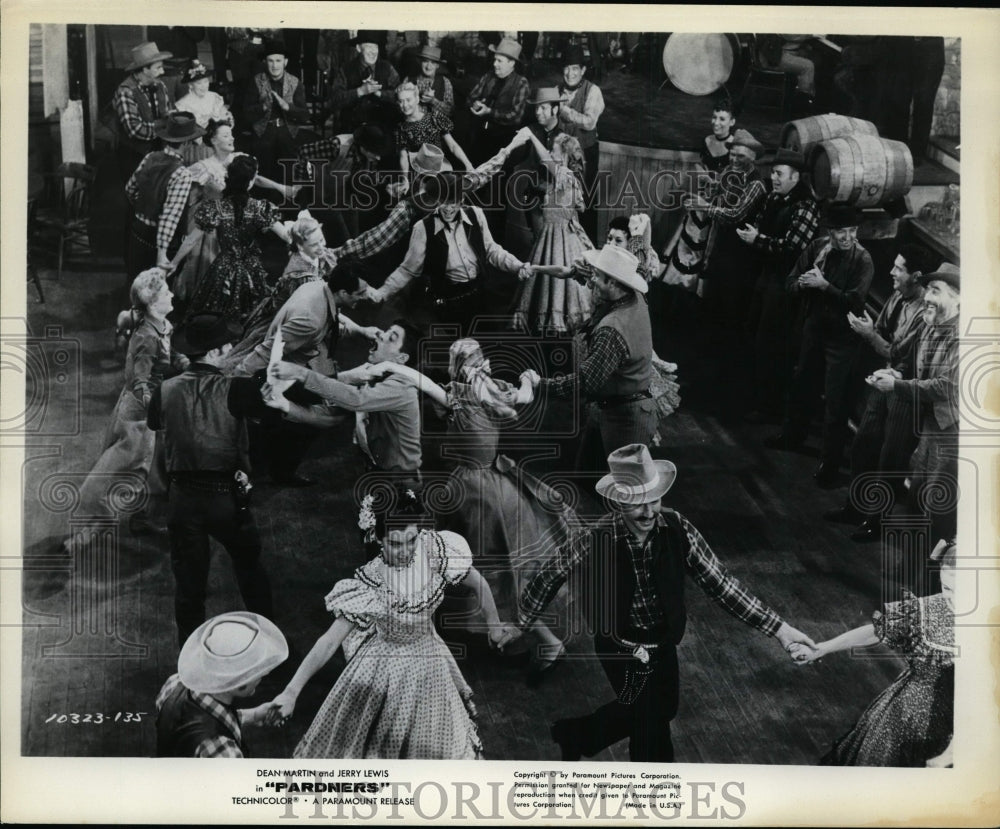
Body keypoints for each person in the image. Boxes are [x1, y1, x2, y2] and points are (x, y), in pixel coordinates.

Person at [504, 443, 816, 762]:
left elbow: (720, 583)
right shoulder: (595, 538)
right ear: (618, 501)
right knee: (651, 725)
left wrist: (779, 628)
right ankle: (655, 796)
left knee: (662, 708)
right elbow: (548, 575)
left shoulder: (677, 527)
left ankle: (576, 734)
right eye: (638, 503)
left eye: (654, 499)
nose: (649, 511)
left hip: (663, 639)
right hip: (619, 644)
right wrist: (521, 624)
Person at [372, 339, 578, 679]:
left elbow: (422, 383)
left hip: (477, 494)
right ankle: (520, 636)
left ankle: (540, 639)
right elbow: (523, 396)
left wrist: (392, 367)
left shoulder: (464, 397)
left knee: (490, 566)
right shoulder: (488, 392)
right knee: (497, 566)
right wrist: (528, 378)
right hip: (489, 483)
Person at [266, 494, 517, 759]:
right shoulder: (371, 582)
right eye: (395, 544)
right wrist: (291, 691)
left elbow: (478, 583)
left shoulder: (434, 549)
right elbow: (329, 641)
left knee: (435, 742)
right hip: (386, 667)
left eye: (411, 540)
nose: (406, 550)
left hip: (430, 660)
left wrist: (494, 626)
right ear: (378, 538)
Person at [147, 313, 278, 645]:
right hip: (225, 499)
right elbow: (270, 416)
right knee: (250, 569)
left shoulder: (164, 390)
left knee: (189, 588)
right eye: (227, 344)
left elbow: (155, 426)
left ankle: (190, 665)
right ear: (217, 352)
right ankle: (269, 644)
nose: (232, 347)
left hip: (181, 500)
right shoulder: (238, 388)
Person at [791, 539, 955, 767]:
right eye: (947, 588)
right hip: (905, 719)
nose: (953, 598)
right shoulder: (928, 608)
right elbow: (875, 631)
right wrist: (822, 648)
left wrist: (949, 756)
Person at [58, 269, 187, 557]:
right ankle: (86, 537)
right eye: (167, 292)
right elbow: (140, 379)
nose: (172, 294)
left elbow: (164, 355)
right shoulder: (146, 338)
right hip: (140, 414)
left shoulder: (160, 325)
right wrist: (155, 405)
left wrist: (181, 361)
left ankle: (140, 520)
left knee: (150, 472)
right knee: (128, 476)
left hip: (147, 409)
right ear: (153, 303)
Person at [826, 244, 933, 541]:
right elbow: (885, 333)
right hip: (884, 379)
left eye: (899, 268)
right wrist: (872, 331)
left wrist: (869, 335)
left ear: (917, 276)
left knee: (891, 459)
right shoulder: (899, 295)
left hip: (906, 390)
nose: (892, 272)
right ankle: (855, 508)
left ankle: (877, 521)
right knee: (863, 444)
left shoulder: (926, 312)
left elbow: (894, 350)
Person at [766, 204, 874, 487]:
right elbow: (790, 283)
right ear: (830, 232)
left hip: (842, 340)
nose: (848, 237)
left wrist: (824, 286)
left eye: (852, 231)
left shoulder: (863, 260)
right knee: (802, 384)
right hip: (813, 330)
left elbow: (855, 301)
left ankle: (830, 462)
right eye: (841, 232)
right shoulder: (817, 248)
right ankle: (792, 437)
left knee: (836, 403)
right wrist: (803, 285)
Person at [866, 264, 959, 590]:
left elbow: (946, 386)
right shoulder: (931, 325)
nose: (928, 299)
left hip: (953, 434)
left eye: (936, 292)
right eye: (929, 290)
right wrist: (898, 376)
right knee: (918, 499)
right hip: (931, 428)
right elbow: (920, 372)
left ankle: (928, 588)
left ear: (958, 300)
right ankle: (910, 572)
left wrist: (900, 388)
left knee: (939, 511)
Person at [525, 246, 654, 477]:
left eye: (597, 275)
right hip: (612, 408)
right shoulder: (634, 295)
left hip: (625, 419)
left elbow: (585, 382)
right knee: (589, 474)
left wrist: (540, 385)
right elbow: (588, 275)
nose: (591, 279)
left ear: (613, 283)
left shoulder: (612, 330)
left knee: (624, 490)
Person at [266, 321, 426, 494]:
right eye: (386, 330)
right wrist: (286, 405)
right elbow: (331, 416)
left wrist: (301, 373)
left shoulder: (400, 387)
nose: (381, 334)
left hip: (401, 485)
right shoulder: (375, 377)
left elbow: (355, 399)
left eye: (391, 337)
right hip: (379, 478)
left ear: (401, 359)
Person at [368, 171, 532, 334]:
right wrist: (382, 292)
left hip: (481, 294)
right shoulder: (423, 228)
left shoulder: (476, 214)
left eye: (452, 202)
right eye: (443, 202)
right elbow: (407, 270)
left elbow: (492, 250)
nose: (447, 208)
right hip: (447, 304)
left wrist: (518, 266)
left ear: (461, 200)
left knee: (491, 343)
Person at [739, 148, 821, 423]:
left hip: (785, 282)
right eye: (773, 173)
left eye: (779, 173)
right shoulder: (775, 198)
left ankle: (769, 406)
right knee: (754, 333)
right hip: (766, 276)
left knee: (772, 342)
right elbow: (763, 224)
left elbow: (795, 247)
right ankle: (755, 398)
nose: (773, 178)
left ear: (795, 177)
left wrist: (758, 240)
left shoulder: (805, 206)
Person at [170, 123, 297, 301]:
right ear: (213, 140)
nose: (232, 138)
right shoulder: (205, 170)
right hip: (214, 233)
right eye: (226, 136)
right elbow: (284, 234)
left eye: (232, 135)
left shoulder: (240, 161)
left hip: (228, 245)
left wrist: (172, 264)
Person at [155, 611, 288, 758]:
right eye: (256, 671)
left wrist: (254, 715)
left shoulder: (174, 683)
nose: (265, 673)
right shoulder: (225, 752)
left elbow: (203, 717)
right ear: (239, 683)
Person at [184, 154, 290, 323]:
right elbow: (285, 235)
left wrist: (172, 264)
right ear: (249, 182)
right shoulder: (259, 207)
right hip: (251, 270)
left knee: (216, 319)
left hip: (222, 269)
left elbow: (190, 240)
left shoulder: (216, 207)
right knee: (251, 318)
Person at [509, 129, 594, 334]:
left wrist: (531, 136)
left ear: (564, 156)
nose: (550, 153)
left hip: (561, 239)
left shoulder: (565, 175)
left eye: (554, 151)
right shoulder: (561, 180)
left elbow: (546, 160)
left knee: (560, 280)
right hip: (552, 235)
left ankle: (558, 323)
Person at [124, 112, 204, 278]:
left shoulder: (150, 157)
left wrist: (144, 209)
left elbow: (130, 189)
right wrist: (162, 253)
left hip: (137, 231)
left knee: (135, 284)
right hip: (158, 242)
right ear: (187, 143)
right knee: (155, 295)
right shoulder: (182, 174)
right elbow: (169, 217)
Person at [243, 40, 313, 180]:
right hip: (263, 132)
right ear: (265, 62)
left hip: (288, 131)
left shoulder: (295, 82)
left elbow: (305, 115)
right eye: (270, 61)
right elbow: (246, 114)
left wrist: (288, 107)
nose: (274, 65)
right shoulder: (256, 81)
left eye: (278, 60)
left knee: (288, 172)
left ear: (285, 62)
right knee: (263, 172)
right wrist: (263, 107)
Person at [556, 45, 605, 239]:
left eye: (575, 68)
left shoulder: (593, 91)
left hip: (585, 154)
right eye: (566, 68)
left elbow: (589, 122)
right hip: (561, 156)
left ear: (583, 70)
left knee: (585, 203)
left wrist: (565, 111)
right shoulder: (556, 90)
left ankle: (588, 254)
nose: (570, 73)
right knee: (561, 202)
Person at [112, 41, 176, 180]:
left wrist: (171, 116)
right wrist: (165, 126)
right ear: (145, 69)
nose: (162, 72)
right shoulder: (126, 91)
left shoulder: (160, 85)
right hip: (134, 156)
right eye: (158, 68)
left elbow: (167, 112)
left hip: (159, 152)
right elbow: (135, 129)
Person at [466, 37, 530, 164]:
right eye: (495, 60)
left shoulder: (521, 83)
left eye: (499, 61)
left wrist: (489, 112)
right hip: (480, 137)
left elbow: (515, 117)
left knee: (496, 179)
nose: (495, 64)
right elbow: (471, 97)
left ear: (511, 63)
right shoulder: (488, 76)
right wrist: (475, 104)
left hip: (503, 143)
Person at [394, 82, 474, 180]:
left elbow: (453, 146)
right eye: (401, 101)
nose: (405, 105)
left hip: (439, 169)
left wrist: (468, 165)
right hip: (418, 174)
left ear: (417, 99)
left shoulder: (434, 118)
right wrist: (405, 180)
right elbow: (403, 157)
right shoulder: (401, 128)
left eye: (408, 100)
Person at [327, 30, 400, 132]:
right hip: (351, 129)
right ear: (358, 48)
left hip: (382, 130)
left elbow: (400, 96)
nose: (373, 52)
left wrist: (379, 94)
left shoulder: (387, 68)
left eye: (376, 47)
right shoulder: (345, 70)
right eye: (369, 47)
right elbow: (333, 101)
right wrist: (360, 91)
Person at [173, 60, 232, 163]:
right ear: (191, 85)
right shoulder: (183, 105)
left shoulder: (214, 97)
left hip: (218, 145)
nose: (204, 86)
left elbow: (225, 118)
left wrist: (226, 119)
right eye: (199, 83)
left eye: (205, 81)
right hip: (198, 149)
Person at [403, 44, 454, 117]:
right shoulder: (408, 80)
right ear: (420, 62)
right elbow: (400, 107)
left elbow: (450, 112)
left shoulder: (445, 82)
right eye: (425, 61)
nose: (428, 66)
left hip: (437, 126)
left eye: (433, 62)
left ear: (437, 65)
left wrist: (433, 101)